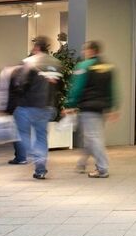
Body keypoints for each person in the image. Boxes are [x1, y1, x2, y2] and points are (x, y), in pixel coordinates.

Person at [13, 36, 64, 180]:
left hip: (28, 105)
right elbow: (60, 86)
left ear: (36, 47)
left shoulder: (29, 62)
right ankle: (40, 169)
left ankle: (35, 154)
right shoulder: (56, 63)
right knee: (41, 136)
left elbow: (20, 84)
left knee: (22, 133)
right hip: (48, 106)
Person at [64, 40, 117, 179]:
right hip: (101, 108)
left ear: (92, 51)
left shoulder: (84, 65)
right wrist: (112, 107)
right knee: (91, 137)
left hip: (88, 107)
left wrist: (69, 104)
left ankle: (102, 168)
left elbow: (77, 87)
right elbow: (112, 89)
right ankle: (81, 163)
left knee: (94, 138)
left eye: (85, 49)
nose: (83, 52)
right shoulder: (107, 66)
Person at [0, 63, 28, 165]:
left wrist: (0, 108)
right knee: (22, 131)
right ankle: (21, 155)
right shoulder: (26, 74)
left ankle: (21, 157)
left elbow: (3, 92)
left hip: (13, 106)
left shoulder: (7, 73)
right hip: (24, 106)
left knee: (16, 132)